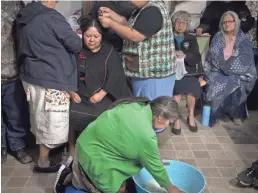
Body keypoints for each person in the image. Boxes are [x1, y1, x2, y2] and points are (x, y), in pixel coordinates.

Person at [54, 96, 184, 193]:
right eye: (169, 122)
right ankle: (72, 178)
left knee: (82, 176)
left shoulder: (137, 105)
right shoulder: (146, 134)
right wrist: (171, 188)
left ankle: (72, 173)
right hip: (95, 159)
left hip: (85, 144)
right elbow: (155, 167)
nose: (168, 125)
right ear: (160, 116)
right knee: (113, 187)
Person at [15, 0, 82, 172]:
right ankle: (44, 162)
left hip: (31, 75)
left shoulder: (25, 15)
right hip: (52, 78)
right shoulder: (52, 17)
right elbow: (76, 44)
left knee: (39, 118)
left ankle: (44, 157)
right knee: (53, 122)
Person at [69, 17, 132, 155]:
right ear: (82, 34)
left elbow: (116, 75)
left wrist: (102, 93)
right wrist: (72, 92)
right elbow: (67, 71)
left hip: (105, 95)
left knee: (107, 116)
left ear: (101, 36)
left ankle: (103, 147)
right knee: (72, 114)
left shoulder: (109, 51)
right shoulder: (76, 50)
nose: (92, 40)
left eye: (96, 36)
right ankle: (73, 147)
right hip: (80, 95)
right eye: (88, 36)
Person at [98, 0, 176, 102]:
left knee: (153, 111)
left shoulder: (153, 10)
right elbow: (127, 26)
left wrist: (111, 23)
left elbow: (135, 35)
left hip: (154, 77)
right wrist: (112, 15)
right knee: (143, 109)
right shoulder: (143, 9)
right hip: (144, 75)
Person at [203, 11, 257, 127]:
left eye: (229, 21)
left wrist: (229, 68)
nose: (226, 24)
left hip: (239, 73)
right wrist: (227, 67)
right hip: (217, 71)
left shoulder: (243, 39)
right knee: (218, 83)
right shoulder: (218, 38)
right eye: (224, 22)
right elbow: (214, 58)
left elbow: (245, 60)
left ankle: (236, 114)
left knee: (237, 82)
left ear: (236, 22)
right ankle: (218, 113)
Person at [1, 1, 32, 164]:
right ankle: (1, 147)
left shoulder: (14, 4)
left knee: (15, 113)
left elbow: (25, 33)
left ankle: (17, 146)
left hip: (11, 70)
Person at [170, 11, 201, 135]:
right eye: (178, 22)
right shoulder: (168, 37)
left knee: (191, 88)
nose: (181, 25)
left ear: (187, 25)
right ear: (173, 23)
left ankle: (191, 116)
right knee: (176, 90)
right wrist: (173, 56)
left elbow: (197, 58)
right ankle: (176, 119)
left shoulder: (191, 39)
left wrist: (185, 55)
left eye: (184, 23)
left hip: (188, 72)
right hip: (173, 72)